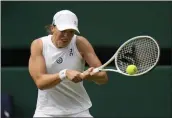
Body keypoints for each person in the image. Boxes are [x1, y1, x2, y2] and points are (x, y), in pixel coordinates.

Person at [28, 9, 108, 117]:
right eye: (63, 31)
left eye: (71, 31)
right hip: (46, 112)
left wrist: (88, 76)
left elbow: (103, 78)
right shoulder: (39, 45)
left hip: (79, 110)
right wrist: (64, 74)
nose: (66, 35)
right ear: (52, 28)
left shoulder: (80, 43)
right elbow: (40, 83)